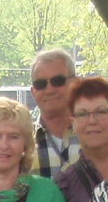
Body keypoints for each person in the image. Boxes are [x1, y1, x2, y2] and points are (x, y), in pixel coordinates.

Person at [31, 48, 81, 178]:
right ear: (33, 91)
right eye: (40, 84)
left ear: (75, 83)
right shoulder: (21, 142)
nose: (49, 90)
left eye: (58, 81)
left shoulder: (102, 135)